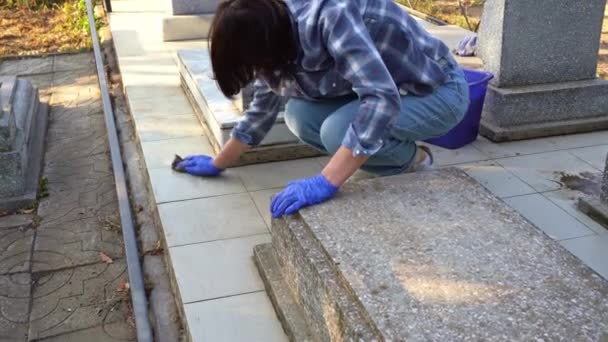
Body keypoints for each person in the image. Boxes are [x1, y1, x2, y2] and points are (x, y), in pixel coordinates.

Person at [177, 0, 470, 218]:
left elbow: (380, 99)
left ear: (268, 46)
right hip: (393, 86)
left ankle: (414, 159)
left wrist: (327, 180)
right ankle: (385, 152)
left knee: (338, 131)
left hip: (437, 89)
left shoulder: (331, 15)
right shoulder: (272, 30)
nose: (258, 73)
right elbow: (262, 110)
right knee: (298, 116)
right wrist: (219, 162)